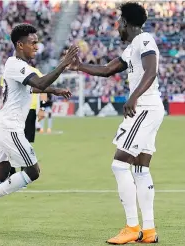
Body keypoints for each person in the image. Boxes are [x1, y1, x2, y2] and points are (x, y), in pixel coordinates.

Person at [0, 23, 78, 234]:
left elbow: (35, 87)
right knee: (33, 172)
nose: (37, 46)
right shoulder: (16, 64)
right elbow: (41, 82)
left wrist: (55, 91)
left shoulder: (18, 66)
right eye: (33, 42)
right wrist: (63, 64)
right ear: (20, 44)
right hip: (10, 128)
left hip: (2, 126)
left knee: (1, 171)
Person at [69, 2, 163, 244]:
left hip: (145, 108)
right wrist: (80, 67)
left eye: (118, 23)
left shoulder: (144, 40)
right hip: (149, 108)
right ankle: (149, 230)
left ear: (125, 23)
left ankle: (132, 227)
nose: (117, 27)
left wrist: (133, 97)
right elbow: (109, 69)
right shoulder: (132, 46)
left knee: (119, 164)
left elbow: (151, 71)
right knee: (141, 169)